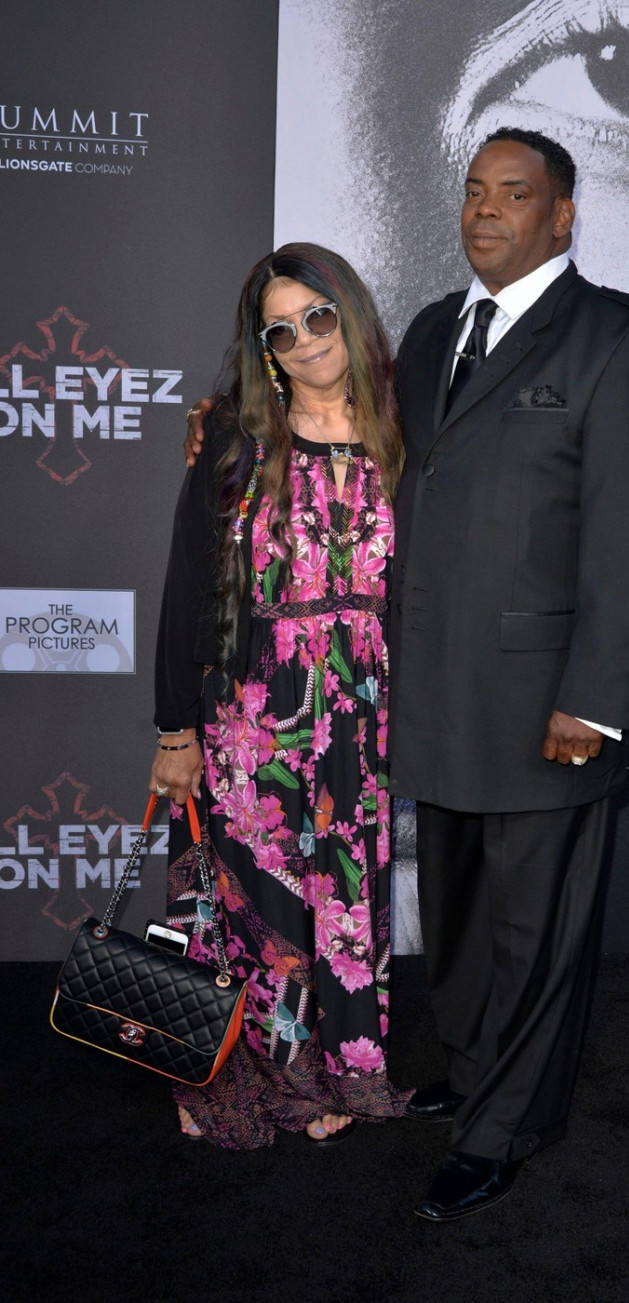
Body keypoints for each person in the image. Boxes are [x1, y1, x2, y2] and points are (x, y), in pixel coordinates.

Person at [184, 130, 629, 1213]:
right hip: (429, 699)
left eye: (517, 194)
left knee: (533, 931)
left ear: (564, 215)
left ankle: (505, 1127)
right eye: (474, 192)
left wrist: (596, 702)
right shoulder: (429, 333)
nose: (487, 211)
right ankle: (468, 1070)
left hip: (549, 704)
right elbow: (335, 427)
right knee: (459, 920)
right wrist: (222, 424)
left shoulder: (621, 339)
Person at [152, 242, 409, 1148]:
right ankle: (253, 1070)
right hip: (253, 712)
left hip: (360, 710)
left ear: (351, 314)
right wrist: (174, 726)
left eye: (320, 317)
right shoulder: (232, 439)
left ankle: (341, 1069)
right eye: (282, 329)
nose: (305, 340)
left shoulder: (406, 429)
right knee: (257, 898)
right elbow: (188, 584)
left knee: (342, 895)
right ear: (265, 349)